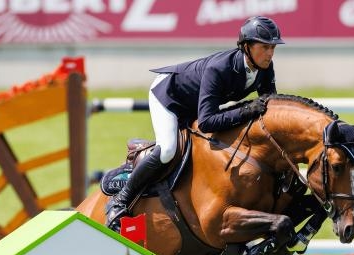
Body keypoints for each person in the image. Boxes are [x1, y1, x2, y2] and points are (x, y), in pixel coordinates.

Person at [106, 16, 285, 232]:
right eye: (264, 47)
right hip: (169, 96)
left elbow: (269, 107)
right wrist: (247, 110)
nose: (270, 53)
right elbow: (208, 122)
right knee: (168, 151)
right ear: (246, 47)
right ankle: (119, 202)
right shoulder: (219, 68)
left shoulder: (266, 67)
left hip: (196, 103)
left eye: (273, 47)